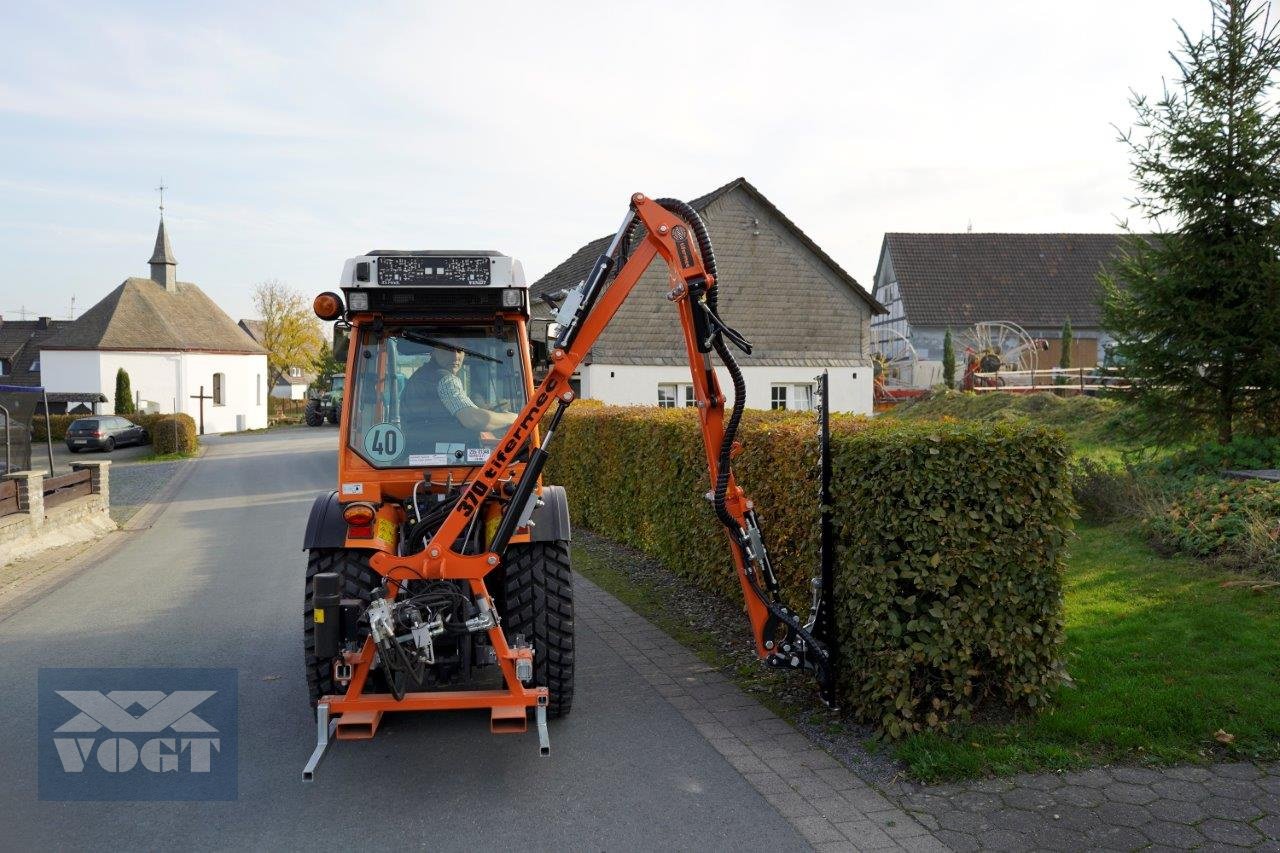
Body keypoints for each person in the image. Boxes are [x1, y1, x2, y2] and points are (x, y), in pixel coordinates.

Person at [405, 343, 516, 441]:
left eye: (460, 350)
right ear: (434, 350)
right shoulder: (445, 379)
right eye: (448, 349)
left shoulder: (420, 376)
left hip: (419, 450)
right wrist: (513, 418)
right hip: (447, 456)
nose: (456, 356)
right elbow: (472, 419)